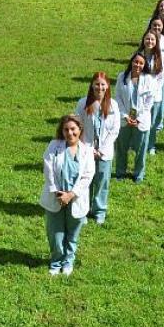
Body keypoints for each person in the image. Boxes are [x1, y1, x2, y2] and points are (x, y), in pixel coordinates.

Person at [39, 114, 95, 276]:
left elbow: (87, 176)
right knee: (55, 234)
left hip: (76, 198)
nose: (70, 133)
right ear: (61, 131)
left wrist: (71, 195)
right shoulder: (54, 146)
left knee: (72, 234)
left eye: (73, 129)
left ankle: (68, 261)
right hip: (56, 197)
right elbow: (48, 168)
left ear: (80, 130)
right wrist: (57, 192)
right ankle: (56, 262)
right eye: (66, 130)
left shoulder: (87, 151)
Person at [74, 72, 120, 225]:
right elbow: (77, 127)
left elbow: (114, 129)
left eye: (102, 84)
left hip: (104, 153)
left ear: (107, 86)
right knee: (85, 181)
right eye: (96, 84)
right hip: (86, 150)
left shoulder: (113, 105)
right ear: (92, 85)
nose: (99, 87)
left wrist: (102, 149)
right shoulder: (83, 103)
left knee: (101, 182)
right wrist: (89, 149)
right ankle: (83, 211)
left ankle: (99, 210)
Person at [113, 53, 157, 183]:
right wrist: (125, 116)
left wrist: (139, 118)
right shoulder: (122, 77)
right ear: (131, 62)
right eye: (135, 62)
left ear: (144, 66)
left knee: (141, 149)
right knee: (121, 147)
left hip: (141, 120)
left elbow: (150, 101)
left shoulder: (149, 79)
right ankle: (120, 172)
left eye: (141, 63)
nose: (137, 65)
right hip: (125, 119)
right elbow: (118, 98)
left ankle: (138, 174)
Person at [140, 21, 164, 155]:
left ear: (156, 42)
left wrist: (152, 88)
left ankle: (151, 145)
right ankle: (139, 143)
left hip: (155, 94)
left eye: (152, 39)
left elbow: (162, 77)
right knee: (140, 119)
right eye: (147, 39)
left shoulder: (160, 58)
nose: (150, 41)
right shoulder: (138, 56)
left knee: (152, 121)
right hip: (140, 93)